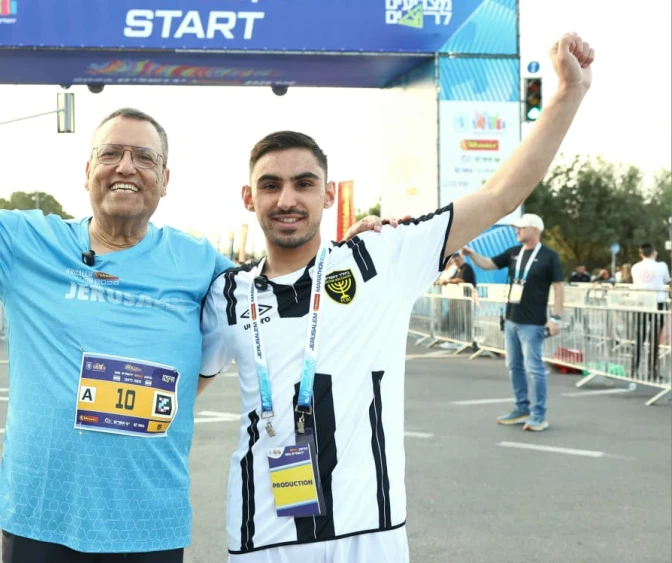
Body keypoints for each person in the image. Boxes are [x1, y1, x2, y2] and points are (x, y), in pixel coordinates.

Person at [0, 39, 420, 561]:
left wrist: (353, 253)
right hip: (40, 519)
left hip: (147, 526)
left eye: (144, 157)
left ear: (166, 181)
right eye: (111, 153)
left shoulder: (201, 265)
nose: (126, 166)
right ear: (87, 172)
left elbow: (277, 295)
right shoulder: (26, 241)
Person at [199, 33, 593, 562]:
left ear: (329, 194)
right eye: (270, 185)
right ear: (249, 198)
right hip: (264, 539)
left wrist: (568, 93)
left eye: (304, 183)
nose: (287, 199)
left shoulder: (380, 258)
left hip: (372, 534)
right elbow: (180, 392)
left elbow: (501, 195)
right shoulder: (226, 293)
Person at [462, 212, 565, 432]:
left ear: (535, 230)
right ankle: (522, 408)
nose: (516, 230)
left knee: (534, 368)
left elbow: (559, 287)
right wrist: (471, 254)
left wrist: (555, 318)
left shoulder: (548, 256)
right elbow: (488, 264)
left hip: (533, 323)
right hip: (511, 320)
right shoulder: (514, 252)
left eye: (521, 227)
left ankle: (539, 415)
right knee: (514, 366)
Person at [630, 243, 671, 380]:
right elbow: (666, 280)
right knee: (654, 339)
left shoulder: (635, 267)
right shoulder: (661, 266)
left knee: (639, 336)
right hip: (657, 303)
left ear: (641, 253)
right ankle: (652, 371)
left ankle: (633, 368)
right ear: (654, 252)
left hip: (640, 302)